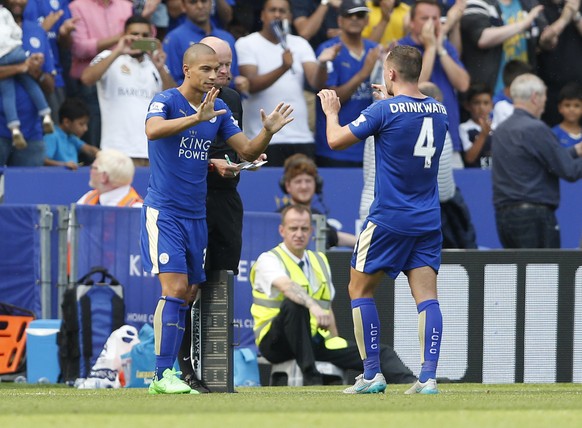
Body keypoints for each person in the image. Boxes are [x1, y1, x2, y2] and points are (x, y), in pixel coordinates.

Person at [141, 43, 293, 394]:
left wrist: (268, 130)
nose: (214, 76)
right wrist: (196, 118)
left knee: (189, 291)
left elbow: (248, 150)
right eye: (207, 69)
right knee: (175, 289)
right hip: (165, 211)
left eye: (218, 69)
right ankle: (162, 376)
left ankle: (170, 375)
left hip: (198, 214)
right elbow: (152, 130)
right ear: (187, 70)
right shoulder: (165, 101)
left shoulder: (221, 107)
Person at [318, 44, 448, 394]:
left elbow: (334, 140)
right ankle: (428, 377)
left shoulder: (384, 110)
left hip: (389, 218)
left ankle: (373, 374)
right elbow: (406, 120)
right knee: (427, 298)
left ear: (390, 74)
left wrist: (332, 112)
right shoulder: (440, 110)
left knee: (359, 289)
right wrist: (385, 104)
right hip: (427, 220)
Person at [250, 204, 417, 386]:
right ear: (282, 230)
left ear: (312, 231)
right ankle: (312, 377)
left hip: (313, 340)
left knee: (379, 352)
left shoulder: (319, 260)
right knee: (295, 304)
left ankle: (411, 383)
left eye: (304, 229)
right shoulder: (268, 259)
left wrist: (335, 341)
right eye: (293, 228)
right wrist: (312, 306)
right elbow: (287, 287)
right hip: (276, 343)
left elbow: (327, 307)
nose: (299, 234)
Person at [175, 36, 253, 393]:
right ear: (194, 66)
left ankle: (216, 367)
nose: (222, 72)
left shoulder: (232, 99)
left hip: (225, 200)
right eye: (213, 65)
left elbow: (239, 146)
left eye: (226, 65)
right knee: (188, 285)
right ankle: (181, 368)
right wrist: (211, 164)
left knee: (221, 277)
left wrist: (247, 160)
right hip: (190, 201)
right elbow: (172, 155)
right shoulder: (172, 102)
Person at [235, 0, 340, 166]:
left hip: (300, 136)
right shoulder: (246, 43)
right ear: (262, 15)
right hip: (262, 137)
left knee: (303, 188)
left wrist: (322, 64)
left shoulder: (300, 43)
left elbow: (316, 82)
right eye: (273, 10)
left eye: (282, 11)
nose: (277, 14)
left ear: (290, 17)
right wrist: (283, 67)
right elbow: (251, 84)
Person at [492, 73, 582, 249]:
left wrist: (575, 150)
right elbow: (570, 171)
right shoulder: (536, 128)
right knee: (545, 275)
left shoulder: (501, 130)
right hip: (534, 217)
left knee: (519, 275)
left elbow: (533, 159)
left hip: (504, 217)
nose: (544, 105)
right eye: (544, 99)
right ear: (535, 97)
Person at [80, 15, 175, 166]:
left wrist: (161, 68)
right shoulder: (108, 56)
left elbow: (175, 99)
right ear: (124, 35)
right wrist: (118, 51)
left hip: (151, 150)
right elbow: (86, 78)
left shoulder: (156, 65)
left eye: (145, 35)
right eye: (134, 34)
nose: (139, 38)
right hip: (116, 150)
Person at [398, 0, 469, 159]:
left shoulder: (445, 46)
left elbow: (463, 84)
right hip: (413, 140)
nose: (431, 23)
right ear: (411, 22)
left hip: (448, 137)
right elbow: (414, 85)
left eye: (435, 18)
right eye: (424, 18)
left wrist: (440, 48)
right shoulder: (401, 49)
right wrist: (430, 48)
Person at [314, 0, 381, 168]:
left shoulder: (375, 51)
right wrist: (364, 73)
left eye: (360, 15)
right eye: (349, 15)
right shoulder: (329, 50)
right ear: (339, 20)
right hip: (335, 147)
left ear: (366, 20)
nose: (355, 19)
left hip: (370, 147)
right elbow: (333, 98)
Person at [69, 0, 135, 148]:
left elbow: (141, 35)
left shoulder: (126, 6)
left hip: (124, 79)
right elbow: (80, 48)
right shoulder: (77, 6)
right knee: (94, 138)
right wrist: (120, 38)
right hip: (90, 84)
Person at [0, 0, 56, 167]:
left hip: (32, 132)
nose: (18, 1)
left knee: (29, 190)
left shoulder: (37, 31)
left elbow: (50, 86)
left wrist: (35, 71)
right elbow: (22, 67)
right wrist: (21, 67)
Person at [460, 0, 545, 94]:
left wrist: (561, 21)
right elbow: (481, 38)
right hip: (490, 91)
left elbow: (544, 42)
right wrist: (523, 24)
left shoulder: (528, 3)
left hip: (523, 88)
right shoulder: (477, 2)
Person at [279, 153, 357, 248]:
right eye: (298, 181)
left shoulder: (317, 215)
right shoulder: (279, 216)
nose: (304, 187)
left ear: (317, 184)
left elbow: (335, 237)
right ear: (287, 186)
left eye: (308, 181)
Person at [163, 0, 239, 85]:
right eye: (193, 2)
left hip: (226, 96)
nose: (200, 6)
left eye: (204, 1)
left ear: (211, 3)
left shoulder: (227, 38)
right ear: (183, 6)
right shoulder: (174, 39)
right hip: (191, 97)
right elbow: (172, 81)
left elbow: (234, 77)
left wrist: (237, 82)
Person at [537, 0, 582, 127]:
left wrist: (576, 15)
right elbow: (547, 41)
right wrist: (566, 17)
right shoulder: (539, 5)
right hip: (551, 89)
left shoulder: (577, 5)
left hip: (579, 85)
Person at [44, 98, 98, 170]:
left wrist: (103, 155)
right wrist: (63, 165)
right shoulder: (52, 135)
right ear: (67, 122)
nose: (86, 129)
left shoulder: (72, 137)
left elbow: (90, 150)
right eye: (81, 124)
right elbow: (44, 161)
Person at [77, 148, 143, 207]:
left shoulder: (136, 207)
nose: (90, 171)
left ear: (104, 176)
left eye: (93, 168)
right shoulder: (88, 198)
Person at [459, 82, 493, 168]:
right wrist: (483, 134)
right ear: (468, 106)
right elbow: (469, 158)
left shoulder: (498, 127)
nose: (482, 107)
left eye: (486, 103)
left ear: (492, 105)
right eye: (477, 103)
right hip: (475, 177)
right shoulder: (464, 128)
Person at [491, 59, 532, 130]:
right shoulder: (492, 105)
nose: (530, 87)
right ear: (517, 82)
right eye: (527, 83)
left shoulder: (526, 104)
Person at [552, 83, 582, 148]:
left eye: (577, 105)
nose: (572, 109)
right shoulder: (553, 134)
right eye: (567, 105)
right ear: (560, 108)